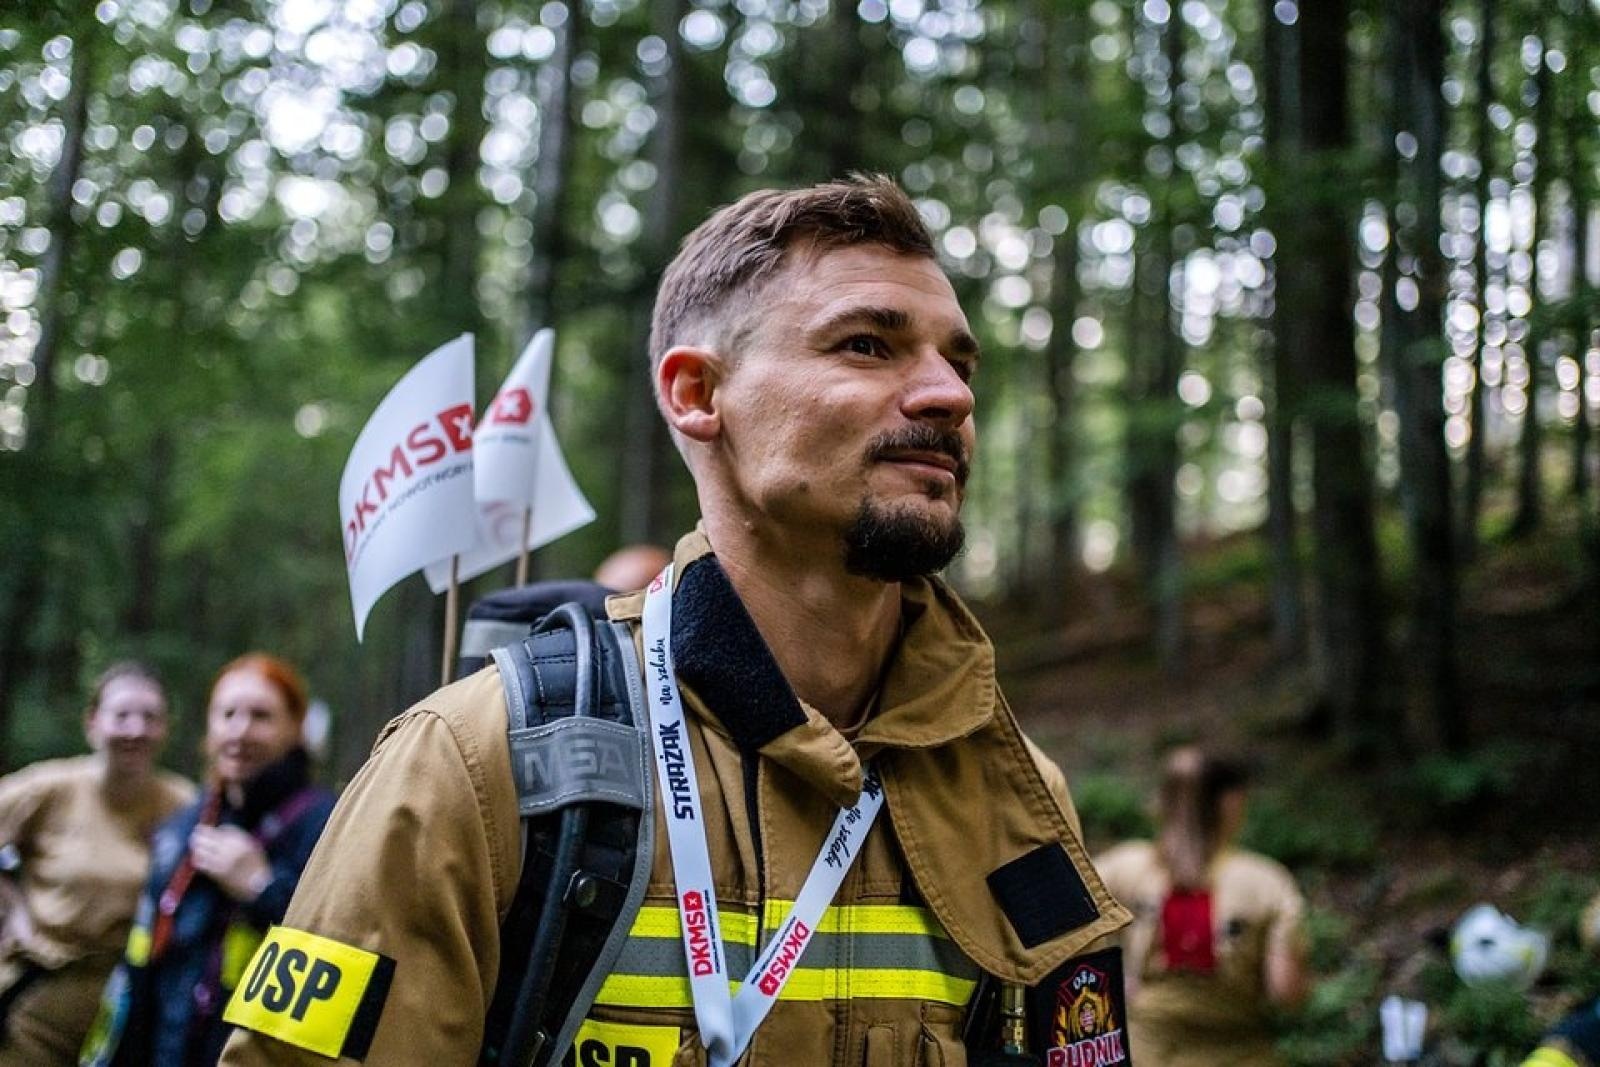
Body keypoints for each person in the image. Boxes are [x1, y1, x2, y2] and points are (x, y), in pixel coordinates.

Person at [221, 176, 1131, 1067]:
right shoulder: (473, 759)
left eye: (958, 362)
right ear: (698, 394)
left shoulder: (1014, 787)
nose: (949, 396)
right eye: (866, 344)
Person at [87, 653, 334, 1067]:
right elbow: (144, 968)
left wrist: (263, 889)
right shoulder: (181, 827)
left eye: (260, 716)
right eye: (227, 714)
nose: (239, 730)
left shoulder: (326, 824)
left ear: (295, 729)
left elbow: (342, 954)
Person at [0, 663, 193, 1066]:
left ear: (165, 729)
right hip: (44, 994)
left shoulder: (183, 803)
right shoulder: (51, 788)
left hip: (133, 1006)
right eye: (122, 715)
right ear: (93, 722)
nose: (136, 729)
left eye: (150, 717)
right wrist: (14, 909)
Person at [1094, 746, 1310, 1066]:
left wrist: (1108, 984)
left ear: (1163, 800)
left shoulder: (1124, 867)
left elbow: (1057, 926)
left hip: (1144, 1052)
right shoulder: (1266, 881)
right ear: (1231, 803)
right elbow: (1285, 991)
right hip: (1239, 1053)